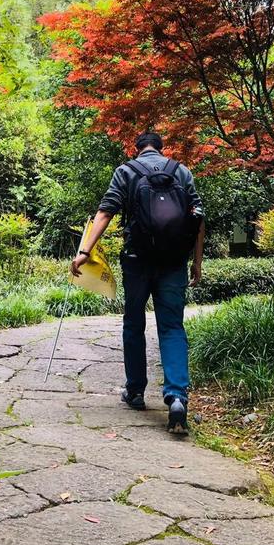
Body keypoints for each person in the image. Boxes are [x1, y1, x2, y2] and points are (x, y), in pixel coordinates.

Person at [71, 131, 205, 434]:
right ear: (161, 148)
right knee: (172, 327)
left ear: (137, 149)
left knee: (134, 323)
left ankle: (135, 391)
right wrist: (196, 262)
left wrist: (84, 252)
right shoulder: (181, 171)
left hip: (137, 260)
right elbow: (198, 218)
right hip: (173, 262)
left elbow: (105, 212)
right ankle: (176, 396)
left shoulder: (126, 171)